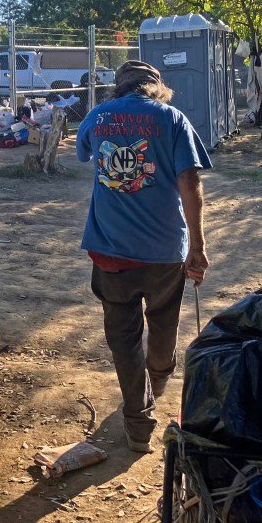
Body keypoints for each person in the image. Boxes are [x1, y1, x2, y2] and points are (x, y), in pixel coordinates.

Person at [77, 60, 211, 454]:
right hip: (164, 251)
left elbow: (86, 153)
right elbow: (190, 183)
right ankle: (161, 377)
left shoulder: (99, 116)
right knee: (164, 321)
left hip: (111, 252)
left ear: (119, 89)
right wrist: (198, 248)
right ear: (156, 87)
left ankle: (138, 427)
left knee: (124, 340)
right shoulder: (172, 118)